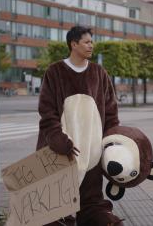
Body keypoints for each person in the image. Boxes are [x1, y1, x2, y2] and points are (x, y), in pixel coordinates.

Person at [37, 26, 123, 226]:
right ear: (73, 44)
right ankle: (58, 216)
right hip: (62, 148)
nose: (91, 45)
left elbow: (111, 112)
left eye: (92, 42)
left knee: (91, 196)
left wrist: (113, 140)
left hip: (91, 149)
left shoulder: (98, 72)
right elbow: (47, 112)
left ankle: (92, 213)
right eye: (86, 42)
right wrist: (58, 140)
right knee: (57, 196)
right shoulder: (55, 71)